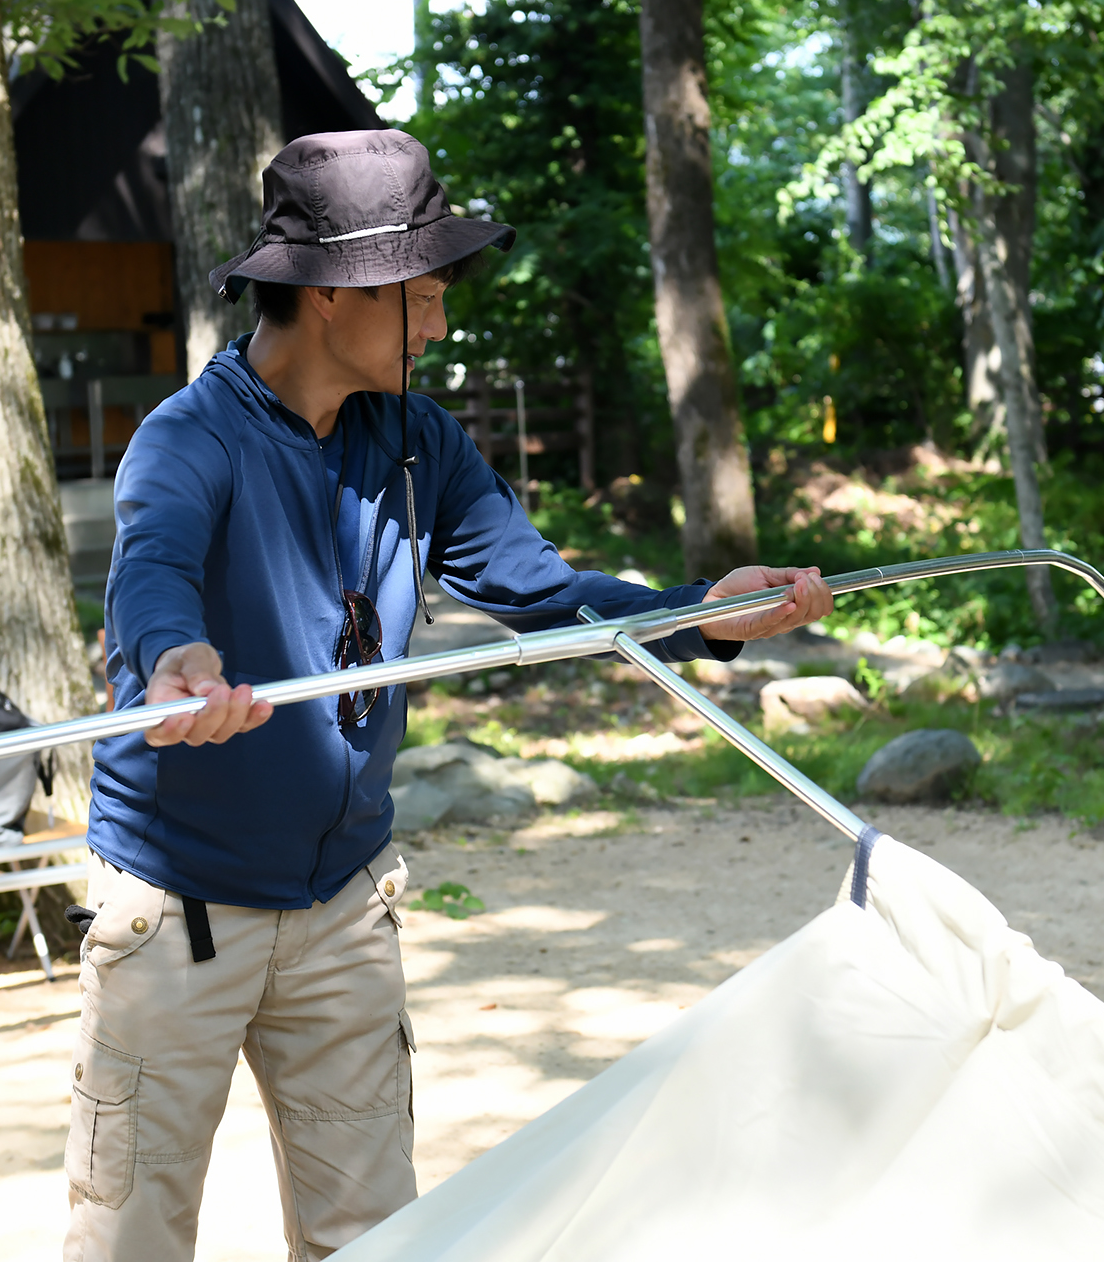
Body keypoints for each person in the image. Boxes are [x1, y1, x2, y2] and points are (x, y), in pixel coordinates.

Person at [64, 130, 835, 1262]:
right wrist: (174, 658)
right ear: (336, 295)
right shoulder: (189, 436)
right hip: (181, 911)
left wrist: (699, 612)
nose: (438, 324)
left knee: (375, 1239)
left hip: (343, 906)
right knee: (129, 1237)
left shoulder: (416, 440)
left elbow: (543, 592)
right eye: (422, 297)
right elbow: (154, 562)